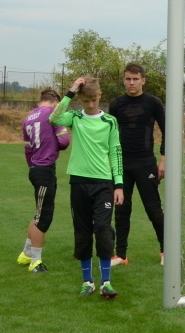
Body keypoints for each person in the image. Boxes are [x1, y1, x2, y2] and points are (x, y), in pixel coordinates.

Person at [51, 76, 124, 299]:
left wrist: (118, 184)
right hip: (79, 182)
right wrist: (71, 90)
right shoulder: (74, 117)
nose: (90, 105)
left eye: (93, 100)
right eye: (86, 101)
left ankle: (106, 282)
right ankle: (87, 282)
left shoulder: (110, 121)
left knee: (103, 230)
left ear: (99, 96)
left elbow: (115, 152)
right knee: (82, 232)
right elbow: (54, 118)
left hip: (103, 183)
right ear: (81, 100)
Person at [108, 63, 167, 266]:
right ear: (124, 80)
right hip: (122, 164)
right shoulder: (116, 104)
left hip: (146, 163)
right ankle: (121, 254)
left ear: (143, 80)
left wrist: (163, 159)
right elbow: (110, 135)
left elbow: (167, 130)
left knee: (154, 209)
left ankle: (165, 250)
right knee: (122, 209)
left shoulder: (153, 103)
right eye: (128, 79)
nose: (131, 83)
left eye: (135, 79)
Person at [18, 88, 71, 272]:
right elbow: (64, 141)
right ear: (56, 103)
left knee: (39, 212)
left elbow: (27, 149)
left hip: (35, 169)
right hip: (45, 168)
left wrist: (33, 166)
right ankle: (35, 262)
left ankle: (26, 254)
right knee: (44, 217)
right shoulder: (52, 113)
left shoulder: (28, 118)